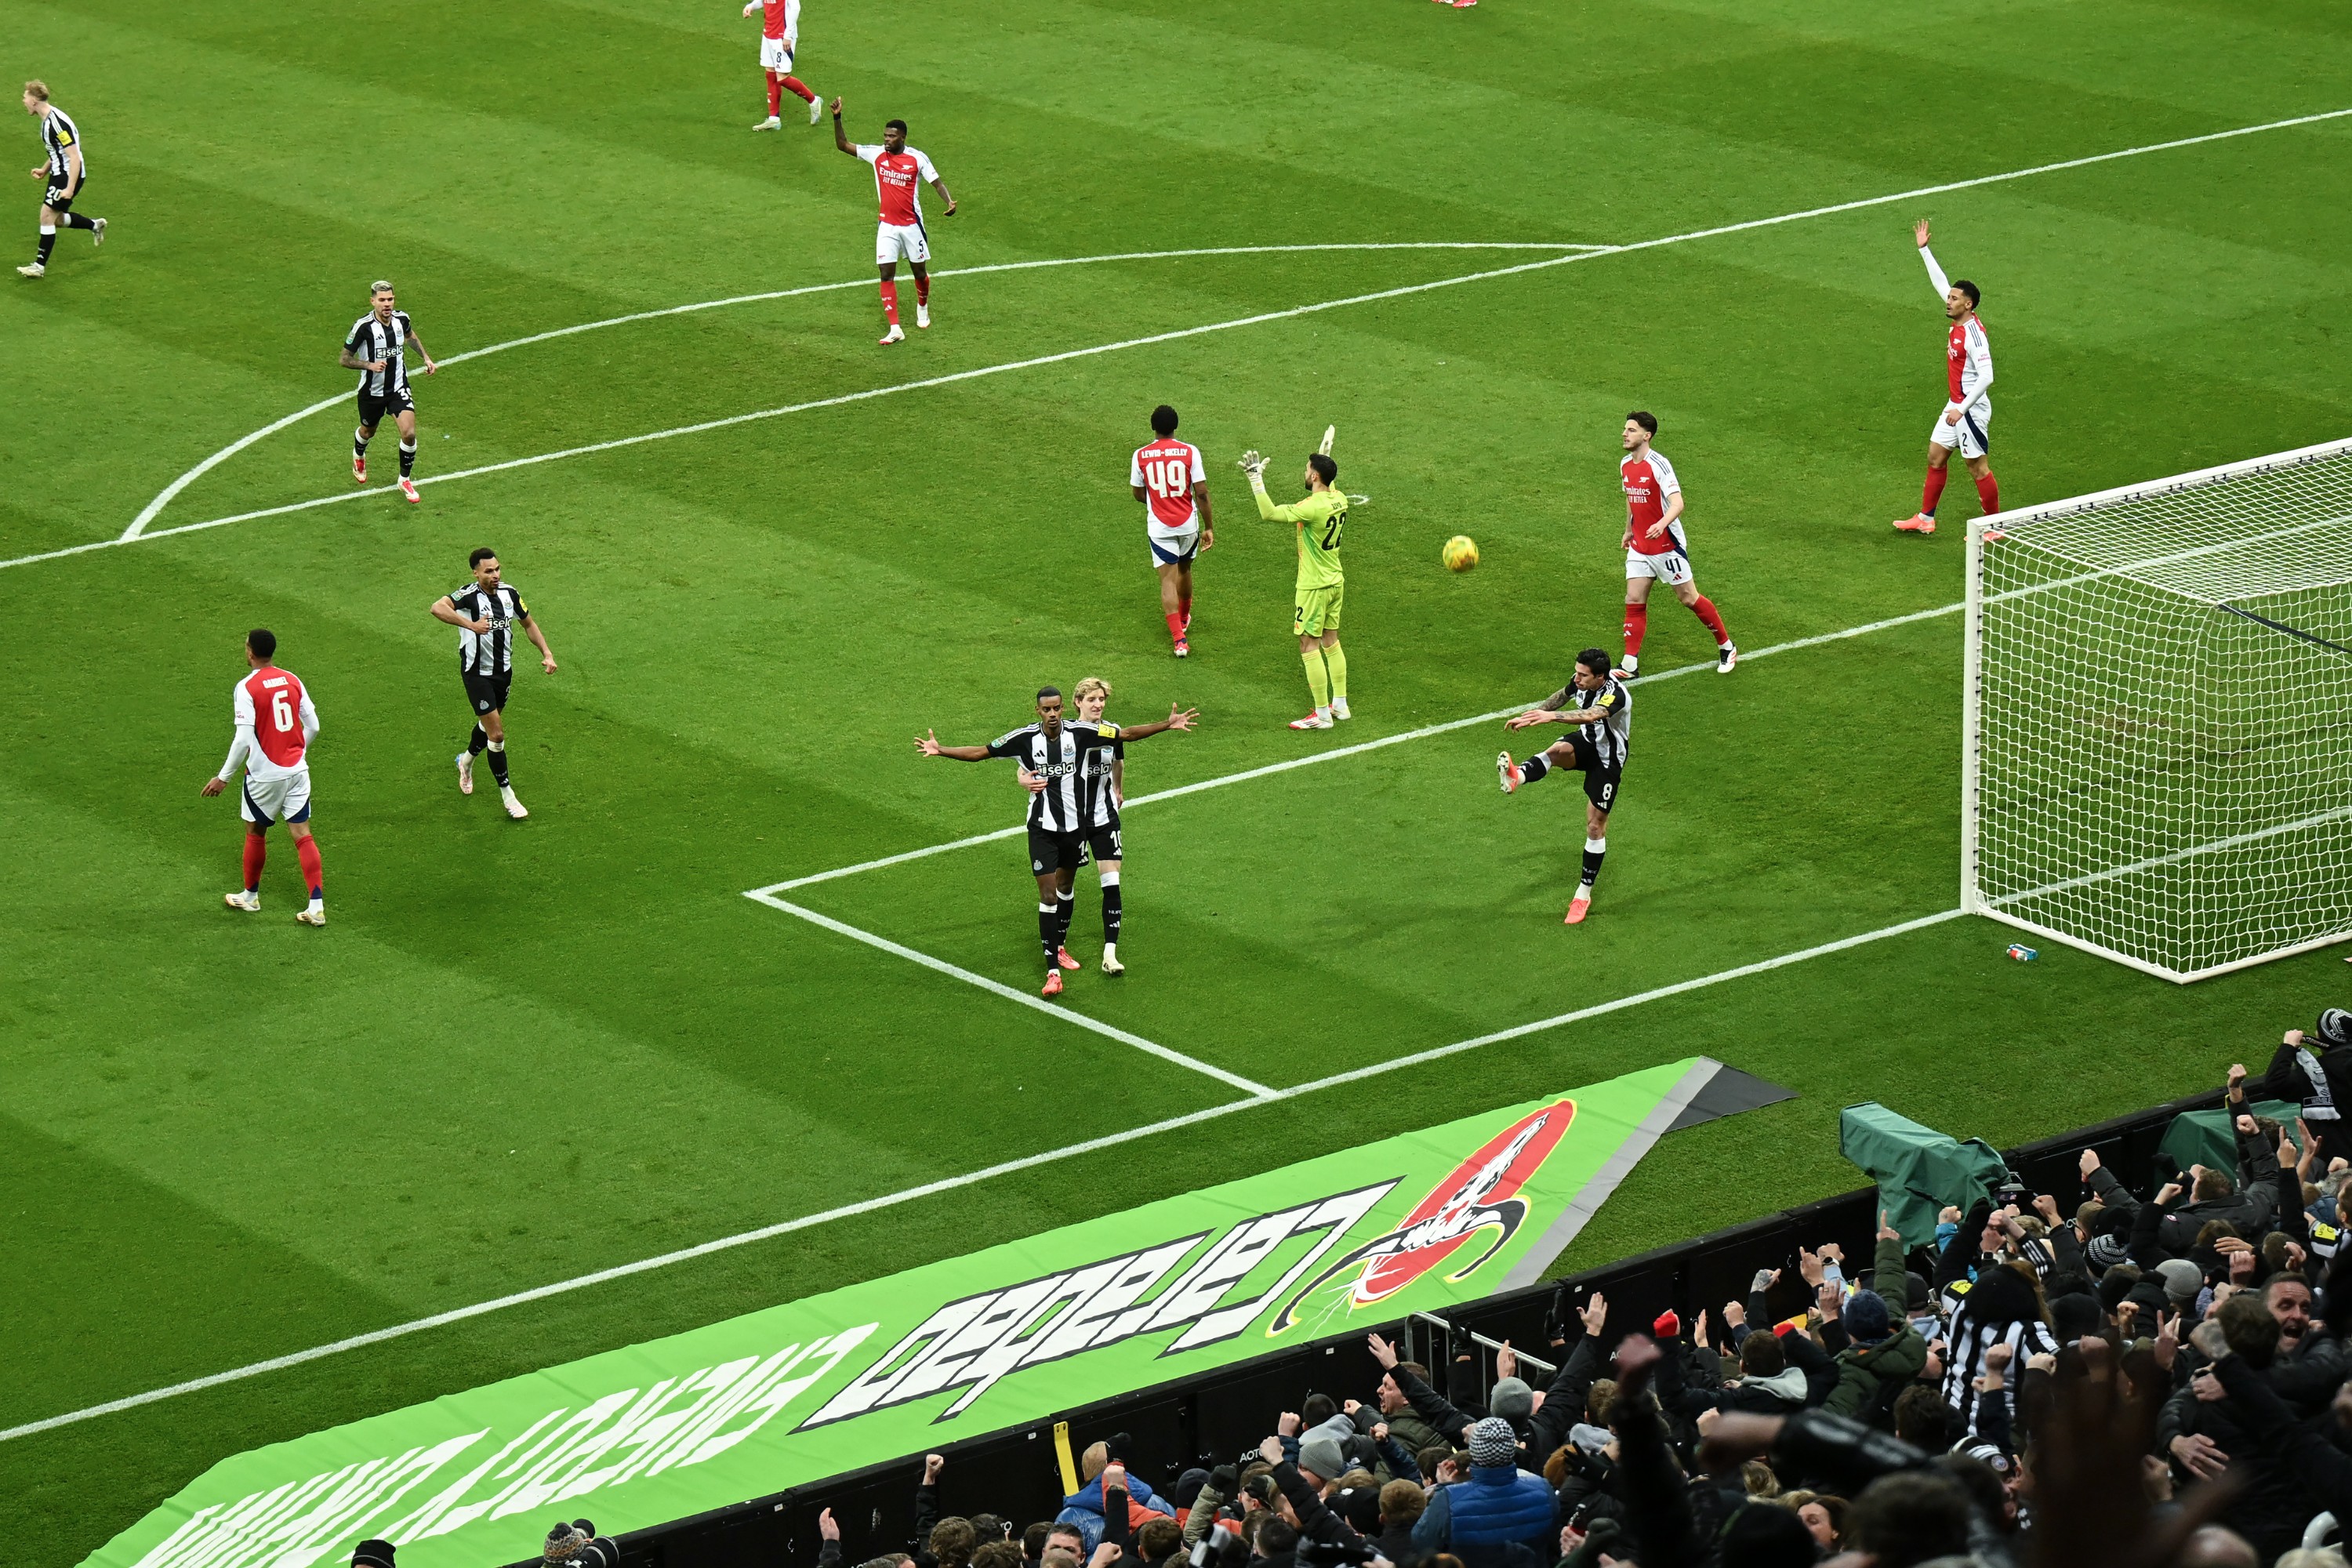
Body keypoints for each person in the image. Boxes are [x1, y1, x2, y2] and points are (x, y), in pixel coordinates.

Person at [916, 687, 1196, 995]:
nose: (1052, 714)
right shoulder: (1024, 738)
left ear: (1064, 709)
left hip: (1074, 831)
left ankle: (1060, 946)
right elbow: (982, 752)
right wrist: (942, 750)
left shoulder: (1083, 732)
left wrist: (1166, 724)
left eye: (1056, 709)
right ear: (1038, 711)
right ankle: (1052, 971)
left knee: (1064, 887)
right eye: (1046, 710)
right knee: (1048, 894)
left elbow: (1125, 734)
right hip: (1042, 828)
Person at [1496, 648, 1629, 925]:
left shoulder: (1616, 694)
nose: (1577, 679)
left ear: (1600, 677)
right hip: (1586, 742)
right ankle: (1516, 777)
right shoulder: (1582, 681)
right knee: (1557, 751)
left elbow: (1592, 715)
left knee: (1595, 826)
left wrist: (1551, 718)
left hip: (1607, 759)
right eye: (1577, 672)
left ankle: (1583, 895)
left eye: (1583, 675)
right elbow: (1564, 694)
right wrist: (1534, 714)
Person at [202, 628, 326, 925]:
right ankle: (316, 906)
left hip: (264, 776)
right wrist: (296, 752)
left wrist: (223, 777)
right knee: (302, 834)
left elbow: (243, 739)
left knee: (256, 833)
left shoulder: (246, 687)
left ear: (250, 652)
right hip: (298, 771)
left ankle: (250, 897)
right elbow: (314, 726)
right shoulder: (292, 678)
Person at [430, 547, 557, 820]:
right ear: (476, 573)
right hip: (477, 674)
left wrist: (546, 653)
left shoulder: (510, 594)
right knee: (497, 735)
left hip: (504, 673)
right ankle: (508, 795)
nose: (495, 575)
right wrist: (472, 626)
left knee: (488, 724)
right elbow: (437, 608)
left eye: (497, 569)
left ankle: (465, 763)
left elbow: (529, 625)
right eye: (489, 571)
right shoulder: (468, 596)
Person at [1893, 219, 1998, 535]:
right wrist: (1924, 250)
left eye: (1954, 299)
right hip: (1955, 405)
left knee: (1977, 468)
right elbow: (1941, 283)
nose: (1947, 301)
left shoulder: (1973, 335)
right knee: (1936, 457)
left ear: (1968, 305)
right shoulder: (1959, 320)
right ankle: (1926, 519)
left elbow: (1987, 376)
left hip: (1969, 410)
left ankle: (1993, 526)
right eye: (1949, 297)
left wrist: (1961, 410)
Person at [1239, 448, 1349, 729]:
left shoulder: (1312, 508)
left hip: (1314, 587)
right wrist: (1325, 457)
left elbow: (1270, 513)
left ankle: (1323, 715)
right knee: (1330, 641)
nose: (1304, 472)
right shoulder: (1340, 499)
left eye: (1307, 469)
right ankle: (1341, 704)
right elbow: (1328, 485)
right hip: (1335, 580)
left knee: (1308, 644)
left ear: (1314, 476)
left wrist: (1255, 479)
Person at [1617, 412, 1733, 676]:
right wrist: (1628, 530)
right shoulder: (1625, 464)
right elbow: (1631, 499)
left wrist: (1661, 524)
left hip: (1666, 545)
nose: (1625, 434)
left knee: (1688, 598)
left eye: (1631, 430)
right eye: (1625, 429)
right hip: (1640, 545)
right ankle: (1629, 664)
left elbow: (1678, 503)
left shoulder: (1659, 465)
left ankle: (1726, 646)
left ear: (1646, 436)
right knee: (1634, 598)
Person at [830, 101, 956, 345]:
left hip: (911, 225)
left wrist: (949, 202)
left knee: (919, 272)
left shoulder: (916, 159)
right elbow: (842, 145)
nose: (887, 140)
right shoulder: (876, 154)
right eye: (885, 135)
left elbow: (937, 182)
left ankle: (922, 308)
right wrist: (838, 118)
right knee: (886, 274)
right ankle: (895, 328)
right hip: (887, 226)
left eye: (892, 136)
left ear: (903, 137)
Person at [341, 281, 439, 503]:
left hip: (398, 387)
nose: (387, 304)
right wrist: (369, 365)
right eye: (382, 300)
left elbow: (411, 336)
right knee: (368, 431)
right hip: (372, 392)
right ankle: (359, 454)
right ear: (373, 301)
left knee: (409, 433)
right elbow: (344, 359)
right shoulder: (363, 327)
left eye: (390, 299)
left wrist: (426, 358)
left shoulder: (401, 319)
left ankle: (404, 479)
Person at [1131, 406, 1213, 658]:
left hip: (1160, 527)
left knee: (1167, 579)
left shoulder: (1141, 455)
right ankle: (1185, 616)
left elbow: (1137, 492)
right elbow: (1201, 492)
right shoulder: (1190, 452)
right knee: (1185, 569)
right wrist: (1209, 526)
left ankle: (1179, 640)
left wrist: (1156, 502)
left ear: (1152, 427)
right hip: (1188, 524)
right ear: (1175, 426)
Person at [18, 81, 103, 279]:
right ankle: (94, 225)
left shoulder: (57, 124)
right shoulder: (48, 119)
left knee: (46, 215)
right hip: (59, 172)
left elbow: (74, 157)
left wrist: (70, 188)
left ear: (34, 100)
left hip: (68, 175)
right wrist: (44, 169)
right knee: (55, 220)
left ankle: (39, 266)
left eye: (25, 97)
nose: (23, 101)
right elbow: (58, 151)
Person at [744, 0, 818, 129]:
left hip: (782, 37)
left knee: (783, 78)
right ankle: (774, 118)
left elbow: (796, 8)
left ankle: (814, 101)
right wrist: (750, 6)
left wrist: (788, 35)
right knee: (770, 74)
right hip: (768, 34)